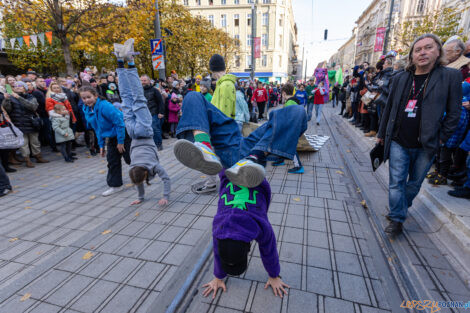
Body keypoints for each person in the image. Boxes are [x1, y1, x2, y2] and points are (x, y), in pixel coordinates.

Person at [377, 34, 462, 236]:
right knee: (396, 181)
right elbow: (389, 107)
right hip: (399, 139)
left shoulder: (450, 76)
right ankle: (397, 219)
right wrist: (381, 134)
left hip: (427, 143)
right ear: (412, 56)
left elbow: (454, 112)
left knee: (414, 183)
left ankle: (399, 208)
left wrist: (441, 137)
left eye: (428, 47)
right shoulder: (401, 78)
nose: (422, 52)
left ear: (438, 51)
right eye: (418, 49)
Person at [173, 85, 307, 188]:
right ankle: (204, 147)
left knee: (298, 110)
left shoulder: (278, 121)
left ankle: (253, 158)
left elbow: (296, 123)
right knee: (192, 95)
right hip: (230, 141)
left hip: (250, 148)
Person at [202, 170, 289, 299]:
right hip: (228, 175)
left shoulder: (261, 225)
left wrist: (274, 275)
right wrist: (218, 277)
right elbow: (217, 252)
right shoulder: (219, 228)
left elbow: (269, 251)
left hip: (255, 180)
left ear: (248, 248)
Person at [114, 39, 171, 206]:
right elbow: (139, 179)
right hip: (132, 133)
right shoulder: (134, 166)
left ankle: (129, 61)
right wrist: (144, 197)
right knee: (126, 97)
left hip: (145, 133)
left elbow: (162, 179)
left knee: (138, 98)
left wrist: (144, 198)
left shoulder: (152, 166)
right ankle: (119, 59)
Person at [80, 83, 131, 197]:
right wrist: (101, 145)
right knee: (112, 160)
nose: (87, 100)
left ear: (95, 96)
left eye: (89, 97)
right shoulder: (87, 109)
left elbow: (119, 123)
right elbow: (97, 128)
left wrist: (121, 141)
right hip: (111, 137)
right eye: (84, 98)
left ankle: (147, 173)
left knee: (130, 159)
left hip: (123, 133)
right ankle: (116, 185)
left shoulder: (105, 106)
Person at [3, 81, 49, 168]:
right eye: (15, 86)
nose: (17, 87)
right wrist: (6, 100)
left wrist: (19, 98)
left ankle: (38, 157)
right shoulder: (11, 98)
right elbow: (7, 110)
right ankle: (27, 160)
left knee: (35, 142)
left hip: (32, 123)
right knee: (24, 144)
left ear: (25, 88)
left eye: (20, 86)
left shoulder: (30, 96)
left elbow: (33, 107)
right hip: (19, 123)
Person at [272, 83, 304, 174]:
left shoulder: (289, 102)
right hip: (292, 128)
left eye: (282, 94)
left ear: (284, 93)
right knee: (282, 144)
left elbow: (290, 117)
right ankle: (281, 159)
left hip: (291, 129)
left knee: (291, 147)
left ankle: (298, 166)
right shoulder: (292, 101)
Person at [141, 74, 165, 151]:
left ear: (148, 81)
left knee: (155, 129)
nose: (143, 82)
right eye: (141, 80)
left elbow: (160, 102)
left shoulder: (154, 90)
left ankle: (158, 144)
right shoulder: (139, 90)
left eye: (144, 80)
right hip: (143, 114)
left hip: (154, 112)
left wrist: (161, 112)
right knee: (146, 130)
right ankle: (150, 145)